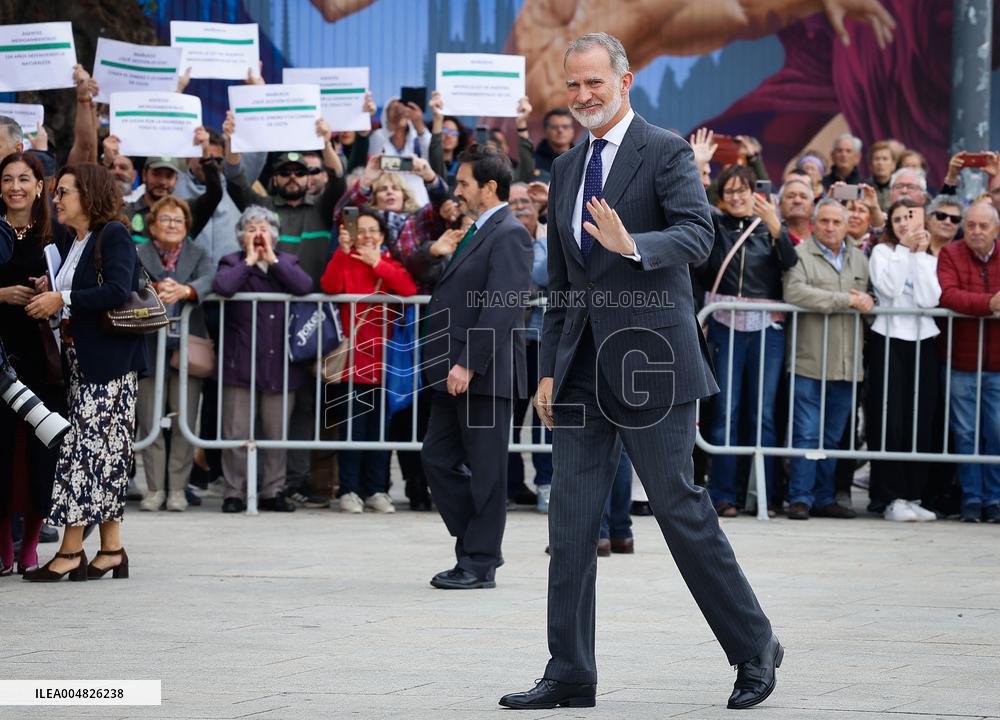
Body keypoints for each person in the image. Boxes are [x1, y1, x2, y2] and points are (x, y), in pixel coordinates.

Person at [501, 33, 780, 712]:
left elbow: (697, 235)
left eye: (595, 83)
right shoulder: (567, 169)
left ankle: (753, 648)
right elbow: (564, 284)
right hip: (580, 374)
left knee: (681, 513)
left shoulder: (665, 150)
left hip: (653, 366)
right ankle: (569, 670)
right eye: (573, 86)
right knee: (569, 524)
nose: (583, 96)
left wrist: (634, 245)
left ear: (625, 83)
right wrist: (547, 368)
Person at [23, 163, 149, 582]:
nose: (56, 199)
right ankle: (111, 549)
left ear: (88, 194)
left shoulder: (112, 233)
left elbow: (117, 288)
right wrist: (51, 287)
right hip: (82, 361)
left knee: (81, 454)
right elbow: (78, 287)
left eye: (64, 192)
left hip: (110, 365)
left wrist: (63, 299)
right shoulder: (72, 239)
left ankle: (71, 550)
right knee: (103, 456)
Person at [419, 144, 533, 590]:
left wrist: (468, 363)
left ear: (489, 187)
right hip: (453, 371)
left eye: (464, 182)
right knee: (437, 458)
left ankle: (479, 562)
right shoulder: (476, 228)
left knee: (486, 472)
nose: (457, 189)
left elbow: (502, 308)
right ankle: (477, 543)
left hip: (481, 374)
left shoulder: (509, 232)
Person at [700, 165, 797, 518]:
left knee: (764, 414)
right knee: (727, 411)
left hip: (766, 327)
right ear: (722, 198)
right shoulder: (715, 224)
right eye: (730, 191)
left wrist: (775, 226)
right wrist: (699, 170)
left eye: (744, 190)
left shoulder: (769, 225)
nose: (738, 197)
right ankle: (724, 495)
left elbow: (790, 261)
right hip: (724, 322)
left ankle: (767, 496)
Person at [212, 206, 314, 513]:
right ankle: (234, 492)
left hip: (279, 364)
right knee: (236, 431)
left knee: (275, 431)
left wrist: (272, 261)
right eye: (251, 228)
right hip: (239, 361)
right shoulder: (231, 262)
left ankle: (273, 490)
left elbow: (304, 286)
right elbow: (223, 286)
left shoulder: (288, 262)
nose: (258, 233)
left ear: (275, 235)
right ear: (241, 235)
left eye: (264, 228)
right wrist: (249, 262)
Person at [320, 209, 417, 513]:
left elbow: (408, 289)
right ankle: (349, 489)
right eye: (360, 230)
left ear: (383, 235)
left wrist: (377, 265)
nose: (367, 236)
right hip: (351, 364)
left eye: (373, 230)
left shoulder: (389, 265)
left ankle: (377, 489)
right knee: (353, 430)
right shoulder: (344, 260)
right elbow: (330, 285)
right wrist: (342, 249)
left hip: (384, 364)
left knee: (380, 432)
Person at [782, 199, 873, 521]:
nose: (831, 227)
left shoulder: (860, 260)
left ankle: (823, 497)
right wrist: (845, 300)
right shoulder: (801, 254)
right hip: (809, 361)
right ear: (814, 223)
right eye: (825, 221)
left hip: (847, 366)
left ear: (847, 225)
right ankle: (801, 498)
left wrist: (867, 301)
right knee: (807, 433)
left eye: (837, 221)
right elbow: (795, 293)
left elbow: (870, 301)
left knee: (832, 437)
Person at [0, 153, 69, 575]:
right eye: (7, 179)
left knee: (40, 453)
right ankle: (4, 547)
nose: (15, 187)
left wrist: (52, 288)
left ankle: (31, 544)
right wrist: (1, 295)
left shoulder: (56, 235)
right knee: (2, 451)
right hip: (1, 356)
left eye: (24, 178)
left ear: (40, 186)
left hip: (43, 358)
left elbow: (76, 286)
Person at [135, 196, 216, 513]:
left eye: (178, 220)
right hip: (147, 347)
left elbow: (211, 278)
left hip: (187, 349)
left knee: (184, 421)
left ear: (187, 227)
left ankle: (178, 489)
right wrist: (154, 287)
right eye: (165, 219)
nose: (172, 225)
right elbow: (128, 279)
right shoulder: (138, 252)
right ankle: (155, 489)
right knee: (149, 419)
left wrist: (187, 290)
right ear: (153, 225)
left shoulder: (198, 253)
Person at [866, 199, 942, 521]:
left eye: (908, 218)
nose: (902, 224)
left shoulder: (927, 256)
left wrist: (919, 257)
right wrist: (903, 252)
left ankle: (913, 494)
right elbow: (889, 288)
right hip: (889, 337)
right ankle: (891, 496)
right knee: (891, 421)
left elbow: (929, 298)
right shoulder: (883, 252)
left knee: (920, 419)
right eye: (896, 219)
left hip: (922, 339)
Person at [936, 201, 1000, 523]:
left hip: (997, 364)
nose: (975, 231)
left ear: (996, 230)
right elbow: (948, 295)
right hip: (960, 361)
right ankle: (972, 500)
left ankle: (995, 499)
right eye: (971, 225)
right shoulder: (951, 253)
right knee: (965, 435)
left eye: (983, 226)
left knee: (997, 432)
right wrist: (990, 304)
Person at [505, 182, 553, 512]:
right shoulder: (500, 236)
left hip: (542, 340)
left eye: (526, 200)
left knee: (543, 415)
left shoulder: (552, 237)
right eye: (514, 202)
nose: (521, 206)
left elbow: (546, 273)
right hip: (508, 341)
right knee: (508, 416)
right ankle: (508, 485)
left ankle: (545, 484)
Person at [533, 107, 576, 181]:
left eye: (565, 127)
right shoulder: (533, 161)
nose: (560, 130)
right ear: (546, 131)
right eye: (554, 127)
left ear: (573, 131)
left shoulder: (582, 158)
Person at [778, 175, 815, 243]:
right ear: (780, 205)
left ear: (812, 206)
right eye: (790, 196)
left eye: (803, 197)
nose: (797, 201)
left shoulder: (821, 235)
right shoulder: (772, 238)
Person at [868, 140, 897, 211]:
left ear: (893, 164)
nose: (880, 163)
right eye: (877, 159)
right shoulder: (865, 189)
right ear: (871, 165)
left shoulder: (901, 188)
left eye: (885, 159)